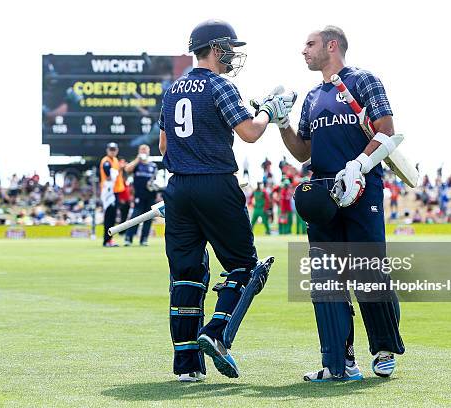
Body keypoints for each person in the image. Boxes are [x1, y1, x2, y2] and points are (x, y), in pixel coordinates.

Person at [158, 19, 295, 382]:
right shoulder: (221, 84)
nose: (233, 53)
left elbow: (164, 146)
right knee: (246, 267)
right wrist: (268, 110)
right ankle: (217, 333)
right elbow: (249, 133)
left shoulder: (172, 90)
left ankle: (186, 366)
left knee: (185, 276)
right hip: (216, 184)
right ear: (215, 48)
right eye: (229, 47)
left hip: (179, 188)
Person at [279, 26, 404, 381]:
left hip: (362, 189)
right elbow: (303, 149)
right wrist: (282, 124)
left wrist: (358, 166)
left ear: (332, 46)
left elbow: (386, 132)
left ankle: (382, 349)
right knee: (327, 280)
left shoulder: (364, 81)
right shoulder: (313, 95)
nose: (303, 50)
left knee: (368, 270)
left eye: (310, 44)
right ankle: (340, 362)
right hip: (323, 195)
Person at [123, 144, 158, 246]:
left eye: (145, 150)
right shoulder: (136, 164)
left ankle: (144, 239)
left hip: (151, 195)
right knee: (135, 217)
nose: (144, 151)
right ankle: (128, 238)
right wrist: (138, 159)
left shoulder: (153, 165)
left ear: (148, 152)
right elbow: (127, 169)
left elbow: (155, 180)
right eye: (142, 150)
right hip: (139, 195)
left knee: (149, 218)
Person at [99, 142, 125, 247]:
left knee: (112, 217)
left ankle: (109, 239)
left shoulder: (115, 160)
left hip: (115, 191)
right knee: (109, 217)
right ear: (107, 150)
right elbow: (108, 175)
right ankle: (107, 240)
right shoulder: (106, 161)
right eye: (111, 149)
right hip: (109, 192)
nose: (113, 151)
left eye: (114, 149)